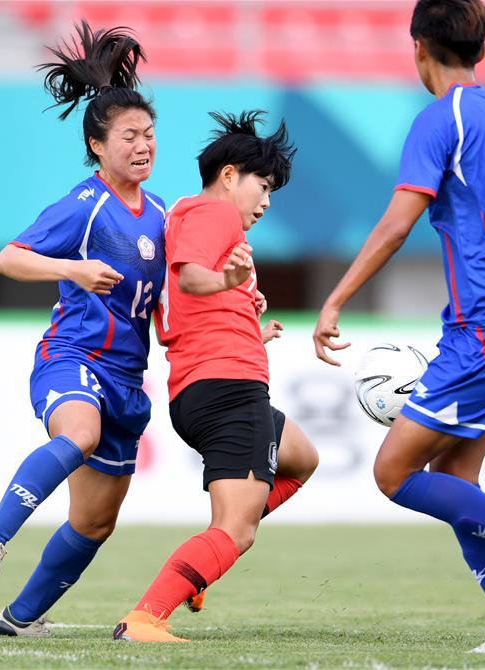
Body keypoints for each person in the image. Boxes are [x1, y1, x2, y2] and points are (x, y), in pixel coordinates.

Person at [312, 0, 485, 656]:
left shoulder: (439, 120)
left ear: (418, 47)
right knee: (455, 477)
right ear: (479, 50)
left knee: (393, 472)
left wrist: (335, 300)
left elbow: (395, 224)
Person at [0, 20, 167, 638]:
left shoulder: (161, 214)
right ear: (98, 145)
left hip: (128, 379)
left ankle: (20, 619)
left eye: (149, 134)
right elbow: (9, 258)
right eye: (129, 135)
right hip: (74, 356)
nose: (144, 145)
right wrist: (72, 269)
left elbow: (167, 299)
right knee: (79, 432)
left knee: (96, 521)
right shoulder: (84, 205)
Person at [113, 111, 318, 643]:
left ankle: (203, 563)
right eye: (263, 186)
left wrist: (249, 326)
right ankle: (146, 618)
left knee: (301, 458)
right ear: (229, 175)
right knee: (237, 530)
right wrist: (226, 281)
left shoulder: (184, 214)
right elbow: (193, 278)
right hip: (228, 388)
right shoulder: (215, 213)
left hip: (202, 385)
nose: (266, 201)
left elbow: (187, 296)